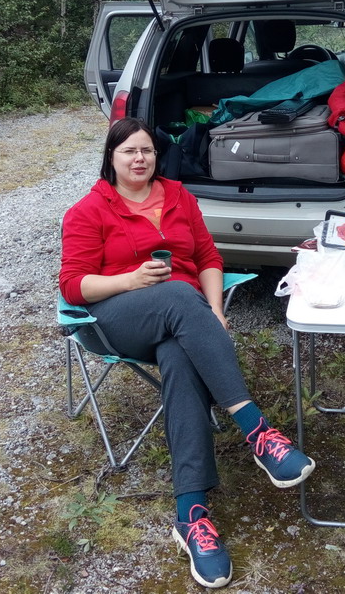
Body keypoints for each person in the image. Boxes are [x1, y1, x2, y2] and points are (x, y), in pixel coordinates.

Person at [59, 117, 315, 589]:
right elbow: (74, 286)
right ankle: (257, 431)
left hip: (184, 321)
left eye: (147, 150)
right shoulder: (88, 210)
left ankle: (191, 515)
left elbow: (208, 259)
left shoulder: (179, 196)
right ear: (111, 157)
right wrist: (129, 280)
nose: (140, 158)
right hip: (116, 320)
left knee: (179, 354)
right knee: (179, 295)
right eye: (129, 151)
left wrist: (214, 312)